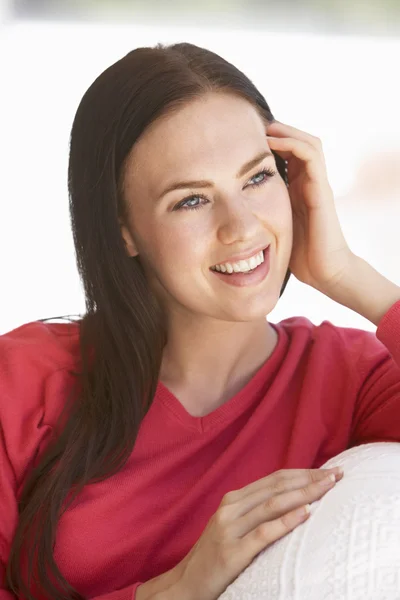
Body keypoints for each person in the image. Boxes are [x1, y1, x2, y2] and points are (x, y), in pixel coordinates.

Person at [0, 42, 399, 600]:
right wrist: (175, 590)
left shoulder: (352, 378)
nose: (240, 227)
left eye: (258, 178)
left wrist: (350, 275)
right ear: (123, 230)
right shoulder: (19, 380)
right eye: (191, 200)